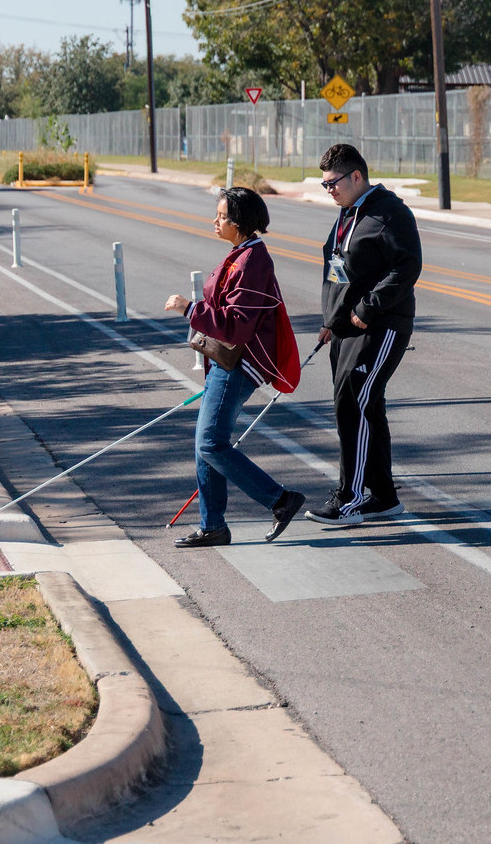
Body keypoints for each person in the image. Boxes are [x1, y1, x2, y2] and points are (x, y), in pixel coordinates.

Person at [164, 187, 305, 548]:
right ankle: (212, 526)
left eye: (223, 216)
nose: (216, 221)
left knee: (210, 443)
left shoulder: (252, 261)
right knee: (206, 444)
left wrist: (190, 309)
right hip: (226, 363)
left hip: (240, 365)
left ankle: (280, 500)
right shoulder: (242, 254)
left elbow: (238, 324)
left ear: (240, 222)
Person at [306, 143, 423, 526]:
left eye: (333, 183)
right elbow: (338, 269)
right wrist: (331, 318)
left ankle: (350, 498)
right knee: (362, 405)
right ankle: (383, 496)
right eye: (324, 185)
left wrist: (366, 310)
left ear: (356, 176)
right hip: (345, 328)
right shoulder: (348, 214)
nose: (329, 191)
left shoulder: (390, 213)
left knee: (353, 402)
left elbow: (407, 267)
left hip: (381, 325)